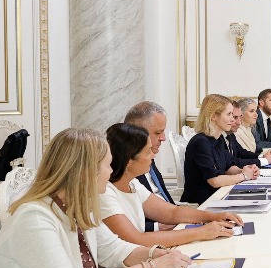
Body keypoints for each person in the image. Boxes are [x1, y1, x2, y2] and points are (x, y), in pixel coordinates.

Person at [0, 128, 191, 268]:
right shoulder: (33, 219)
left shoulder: (77, 206)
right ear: (86, 171)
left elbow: (112, 249)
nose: (111, 172)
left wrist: (155, 254)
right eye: (108, 165)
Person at [101, 123, 244, 247]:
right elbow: (137, 239)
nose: (153, 155)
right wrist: (201, 232)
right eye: (148, 152)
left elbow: (171, 212)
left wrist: (212, 217)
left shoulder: (132, 183)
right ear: (129, 160)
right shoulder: (106, 193)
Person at [181, 94, 260, 204]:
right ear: (213, 116)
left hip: (218, 197)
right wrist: (244, 176)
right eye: (229, 114)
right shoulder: (200, 142)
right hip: (201, 204)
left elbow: (229, 167)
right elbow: (215, 180)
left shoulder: (219, 139)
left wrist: (245, 170)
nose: (232, 119)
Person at [124, 101, 175, 231]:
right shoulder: (126, 170)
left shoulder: (149, 159)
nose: (163, 138)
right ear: (138, 134)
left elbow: (170, 208)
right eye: (158, 133)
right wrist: (156, 227)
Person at [228, 100, 271, 167]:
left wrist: (263, 156)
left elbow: (242, 153)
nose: (256, 114)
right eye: (251, 111)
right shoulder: (235, 132)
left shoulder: (249, 130)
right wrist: (265, 160)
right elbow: (235, 161)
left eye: (256, 111)